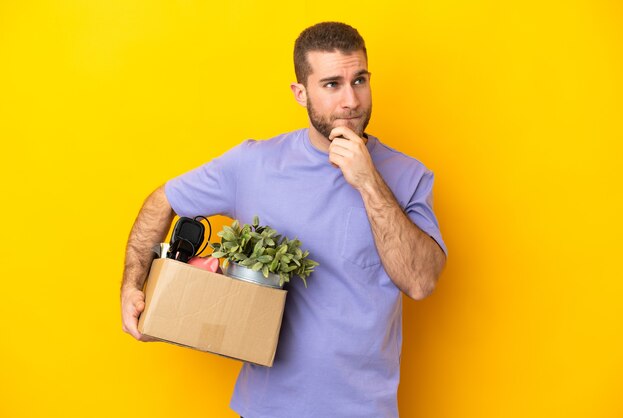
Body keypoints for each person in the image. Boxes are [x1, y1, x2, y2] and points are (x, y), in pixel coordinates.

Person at [121, 21, 447, 418]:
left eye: (359, 80)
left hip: (364, 410)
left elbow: (420, 282)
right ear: (300, 92)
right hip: (266, 409)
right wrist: (131, 287)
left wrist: (368, 182)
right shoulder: (254, 164)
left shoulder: (408, 175)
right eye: (331, 84)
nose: (351, 100)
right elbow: (163, 200)